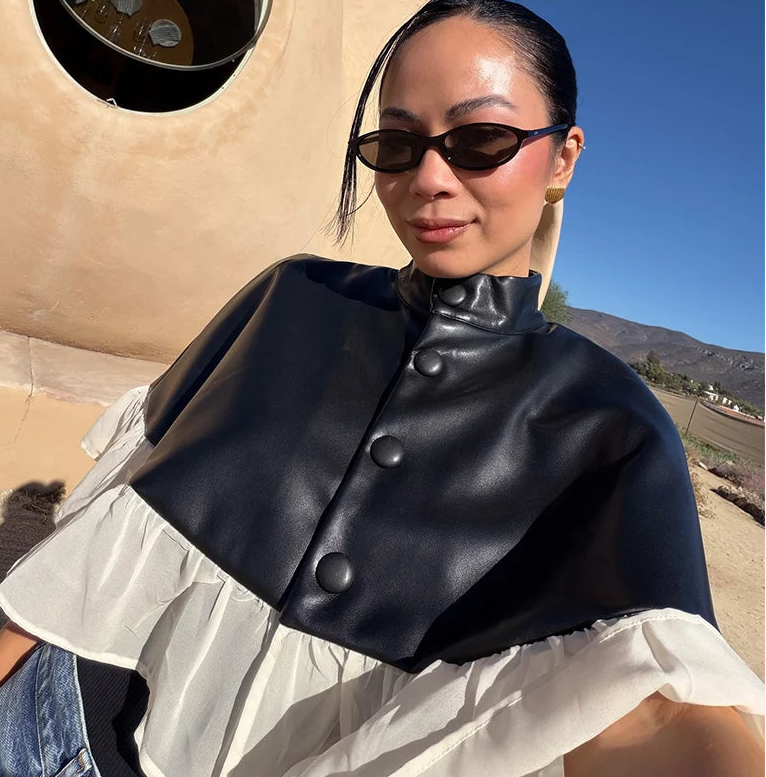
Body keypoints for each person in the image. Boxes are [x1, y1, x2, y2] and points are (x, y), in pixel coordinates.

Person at [0, 1, 764, 775]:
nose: (428, 178)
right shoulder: (291, 297)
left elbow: (652, 705)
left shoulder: (615, 427)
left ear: (563, 157)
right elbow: (108, 530)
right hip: (50, 728)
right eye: (397, 143)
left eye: (481, 140)